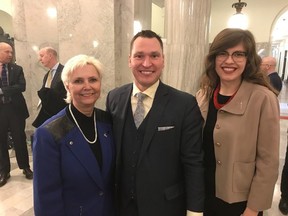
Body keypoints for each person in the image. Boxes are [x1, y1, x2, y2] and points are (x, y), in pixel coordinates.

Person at [106, 30, 205, 216]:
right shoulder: (114, 98)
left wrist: (195, 211)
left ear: (163, 60)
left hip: (165, 207)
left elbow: (193, 162)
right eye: (139, 56)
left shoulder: (184, 104)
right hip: (122, 207)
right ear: (129, 60)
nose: (146, 63)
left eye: (154, 56)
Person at [196, 28, 280, 216]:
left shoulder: (263, 98)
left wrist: (253, 209)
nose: (229, 61)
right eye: (222, 54)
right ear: (213, 58)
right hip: (204, 197)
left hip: (240, 204)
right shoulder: (203, 95)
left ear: (248, 59)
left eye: (238, 54)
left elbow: (268, 161)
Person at [33, 54, 116, 215]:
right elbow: (46, 199)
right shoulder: (49, 133)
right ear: (67, 86)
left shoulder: (107, 121)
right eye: (78, 81)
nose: (87, 86)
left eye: (93, 80)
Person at [0, 41, 33, 187]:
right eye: (7, 52)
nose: (10, 54)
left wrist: (2, 91)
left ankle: (25, 167)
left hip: (15, 110)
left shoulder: (17, 69)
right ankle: (4, 171)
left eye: (11, 52)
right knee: (1, 141)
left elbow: (21, 86)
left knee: (19, 138)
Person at [32, 46, 66, 128]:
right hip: (49, 116)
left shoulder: (65, 71)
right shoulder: (47, 75)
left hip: (62, 116)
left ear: (50, 56)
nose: (40, 59)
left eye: (42, 56)